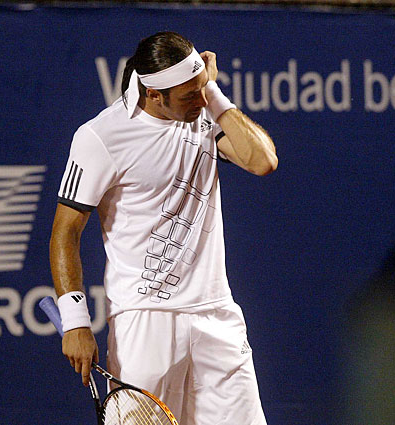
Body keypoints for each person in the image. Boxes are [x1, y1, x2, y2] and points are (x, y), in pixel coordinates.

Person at [50, 31, 277, 425]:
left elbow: (263, 161)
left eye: (203, 89)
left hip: (216, 314)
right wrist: (75, 321)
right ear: (154, 94)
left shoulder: (204, 114)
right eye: (190, 95)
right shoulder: (99, 137)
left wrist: (212, 93)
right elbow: (65, 232)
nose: (200, 101)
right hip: (144, 320)